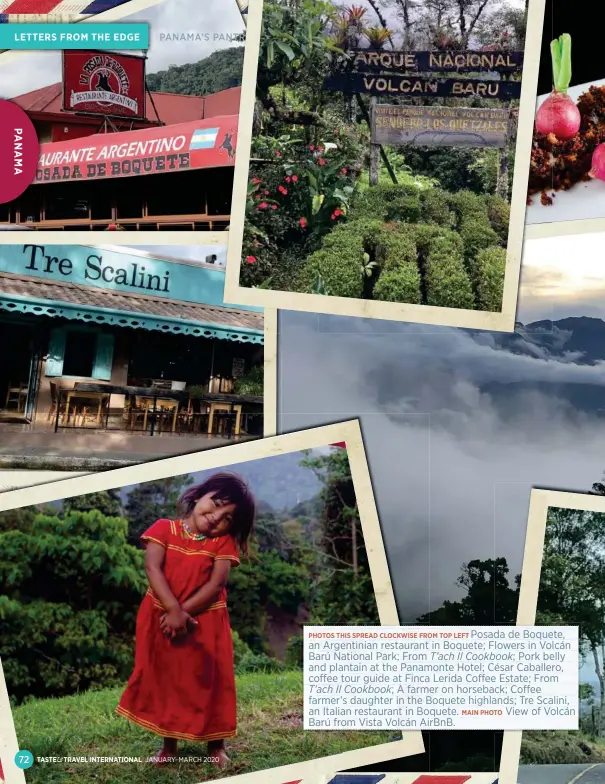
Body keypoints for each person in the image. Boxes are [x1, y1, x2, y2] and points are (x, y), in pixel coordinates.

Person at [116, 472, 256, 767]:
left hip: (206, 624)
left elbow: (215, 585)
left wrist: (182, 613)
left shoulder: (222, 544)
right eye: (215, 504)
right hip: (162, 620)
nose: (217, 517)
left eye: (228, 518)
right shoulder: (163, 529)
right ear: (197, 496)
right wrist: (172, 611)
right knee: (169, 680)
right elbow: (153, 569)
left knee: (212, 681)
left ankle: (215, 746)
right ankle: (169, 746)